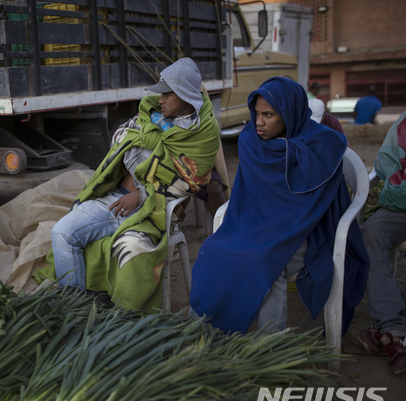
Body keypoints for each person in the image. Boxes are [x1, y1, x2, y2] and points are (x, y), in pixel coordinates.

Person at [34, 58, 220, 312]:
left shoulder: (204, 133)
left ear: (185, 95)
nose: (160, 99)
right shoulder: (151, 115)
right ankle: (76, 305)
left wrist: (141, 195)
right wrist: (149, 140)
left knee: (130, 250)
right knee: (62, 232)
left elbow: (190, 182)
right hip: (114, 200)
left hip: (151, 213)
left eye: (167, 94)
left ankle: (120, 313)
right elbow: (122, 137)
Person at [189, 77, 368, 334]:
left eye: (268, 115)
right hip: (253, 226)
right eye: (257, 113)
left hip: (303, 231)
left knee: (262, 264)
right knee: (213, 253)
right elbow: (249, 198)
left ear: (289, 112)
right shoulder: (252, 142)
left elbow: (313, 207)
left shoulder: (322, 146)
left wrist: (290, 151)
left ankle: (269, 347)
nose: (258, 122)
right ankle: (197, 335)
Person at [358, 110, 406, 375]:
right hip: (401, 204)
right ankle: (392, 326)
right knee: (372, 231)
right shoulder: (403, 123)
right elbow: (384, 163)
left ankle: (389, 331)